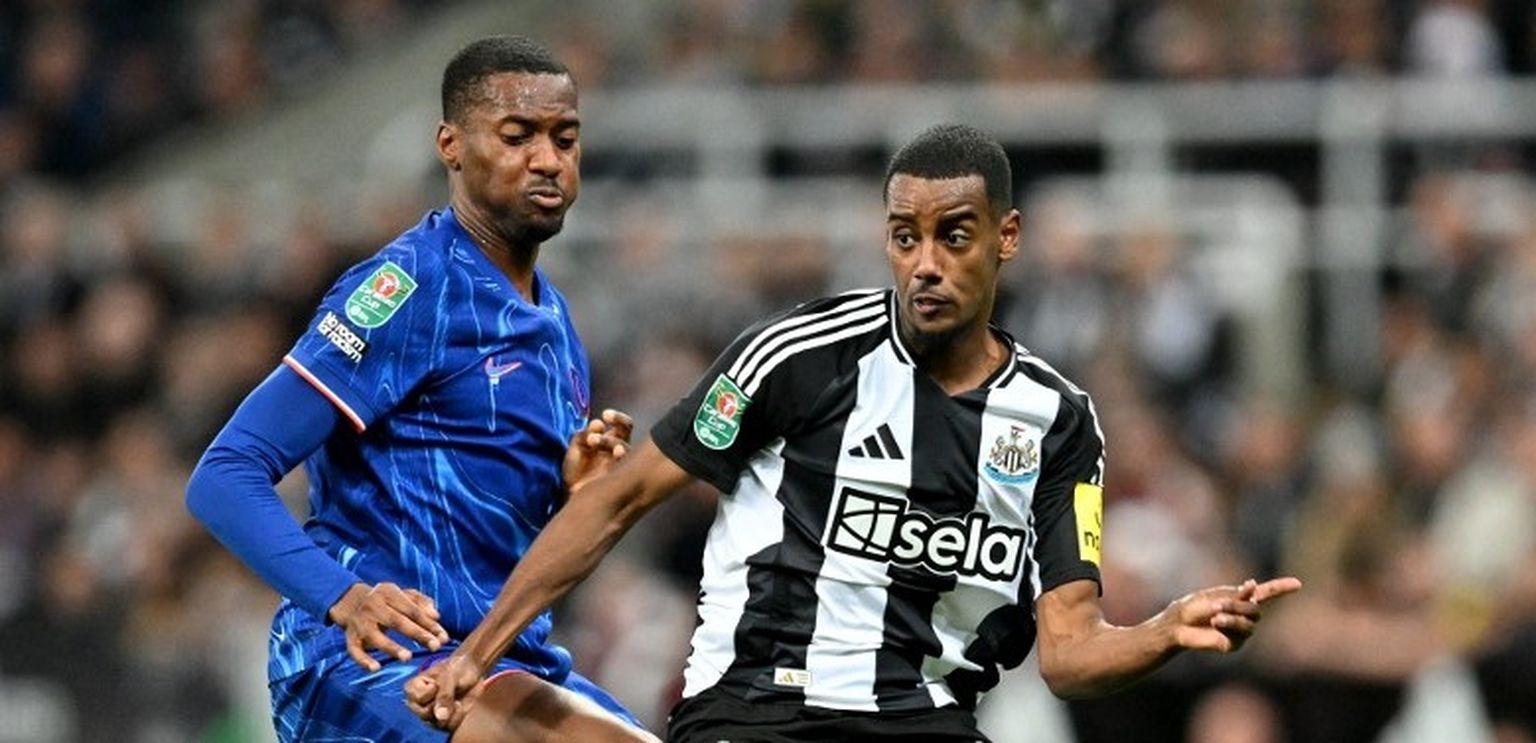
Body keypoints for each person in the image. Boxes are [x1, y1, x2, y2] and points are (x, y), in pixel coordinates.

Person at [406, 122, 1303, 742]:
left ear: (1008, 237)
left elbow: (1069, 651)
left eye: (954, 237)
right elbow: (619, 498)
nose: (926, 264)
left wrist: (1165, 627)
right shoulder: (799, 356)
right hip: (762, 713)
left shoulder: (1059, 422)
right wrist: (475, 653)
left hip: (928, 724)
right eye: (905, 237)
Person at [185, 35, 656, 742]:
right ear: (451, 145)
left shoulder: (553, 322)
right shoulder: (410, 287)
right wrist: (343, 597)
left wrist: (574, 495)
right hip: (370, 659)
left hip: (494, 659)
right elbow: (225, 474)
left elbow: (495, 547)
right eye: (517, 136)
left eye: (565, 138)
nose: (547, 160)